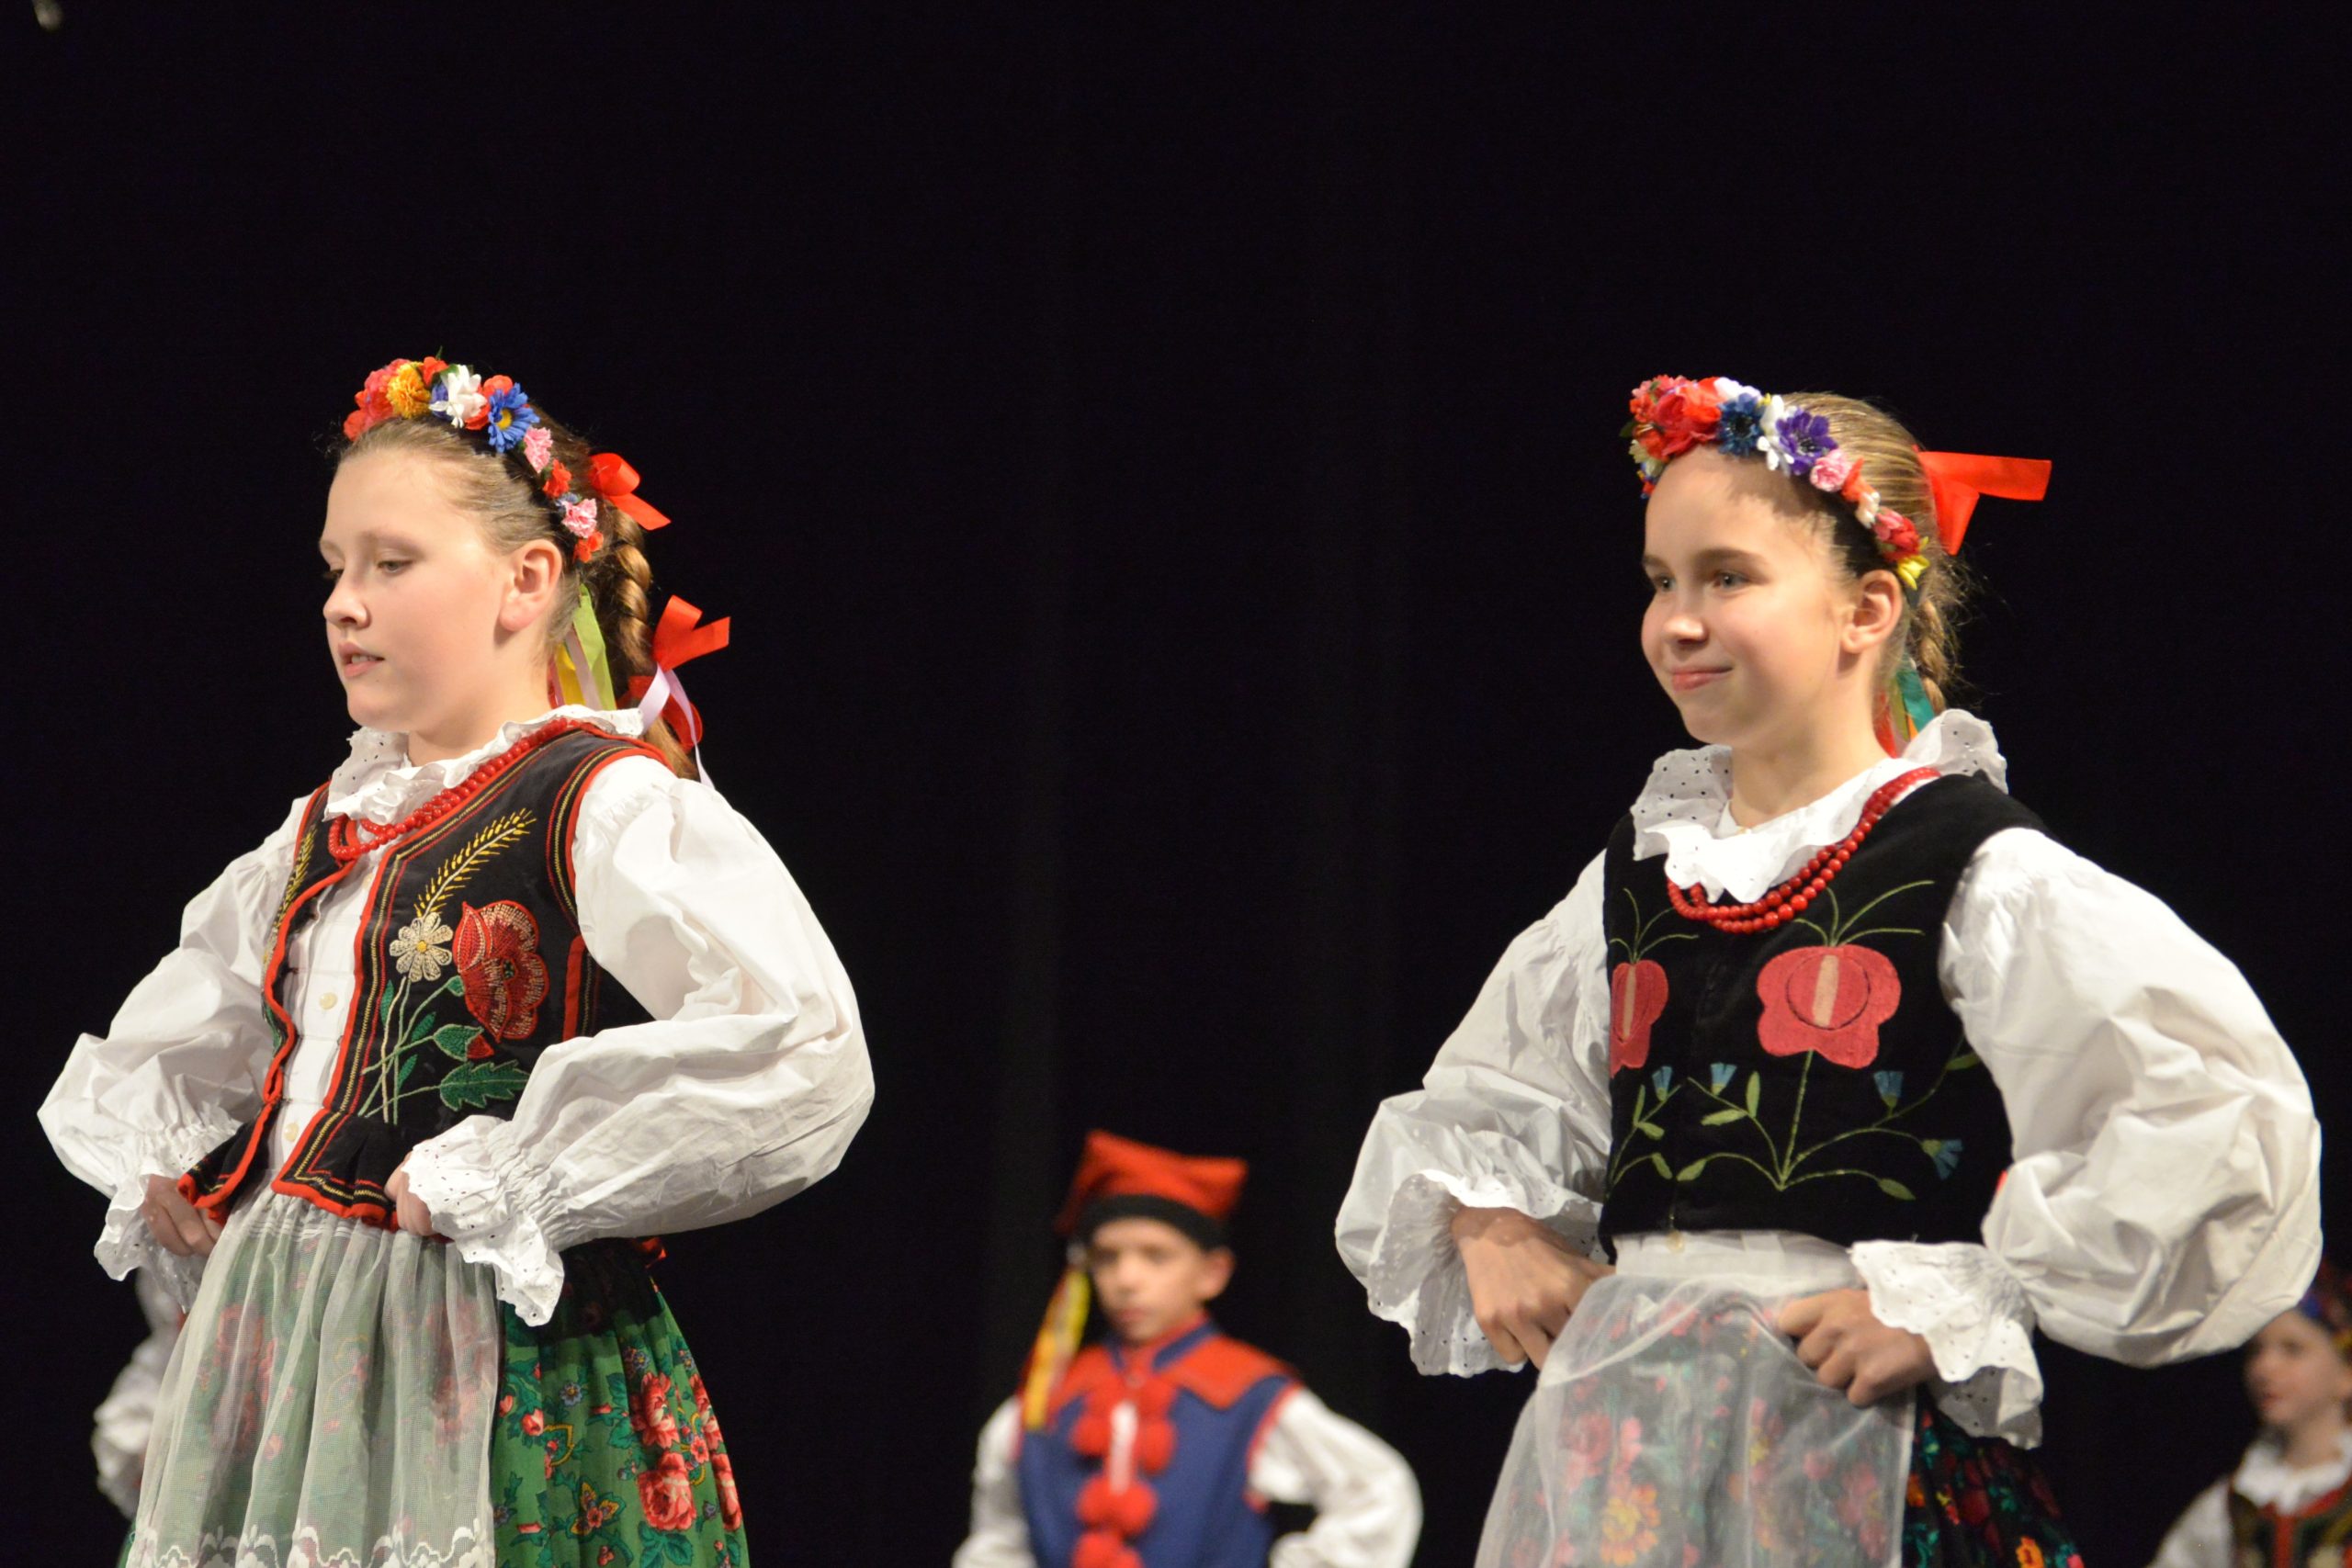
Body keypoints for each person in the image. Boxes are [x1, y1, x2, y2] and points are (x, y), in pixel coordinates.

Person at [1335, 375, 2321, 1566]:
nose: (1677, 622)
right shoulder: (1642, 872)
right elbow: (1489, 1098)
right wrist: (1490, 1218)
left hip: (1851, 1440)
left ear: (1865, 608)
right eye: (1660, 580)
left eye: (1727, 577)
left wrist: (1962, 1298)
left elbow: (2217, 1109)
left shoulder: (1973, 866)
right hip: (1627, 1456)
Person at [40, 355, 874, 1567]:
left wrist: (525, 1175)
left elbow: (804, 1049)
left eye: (392, 563)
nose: (344, 603)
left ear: (526, 580)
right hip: (285, 1342)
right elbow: (191, 1028)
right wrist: (158, 1155)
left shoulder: (600, 800)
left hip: (479, 1344)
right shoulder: (323, 826)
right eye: (335, 567)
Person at [957, 1131, 1419, 1568]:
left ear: (1212, 1273)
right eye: (1108, 1257)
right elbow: (998, 1540)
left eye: (1156, 1256)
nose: (1127, 1279)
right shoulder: (1046, 1400)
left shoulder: (1248, 1394)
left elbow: (1379, 1490)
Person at [2147, 1264, 2352, 1567]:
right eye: (2256, 1350)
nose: (2264, 1368)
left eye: (2292, 1349)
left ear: (2347, 1372)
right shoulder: (2231, 1504)